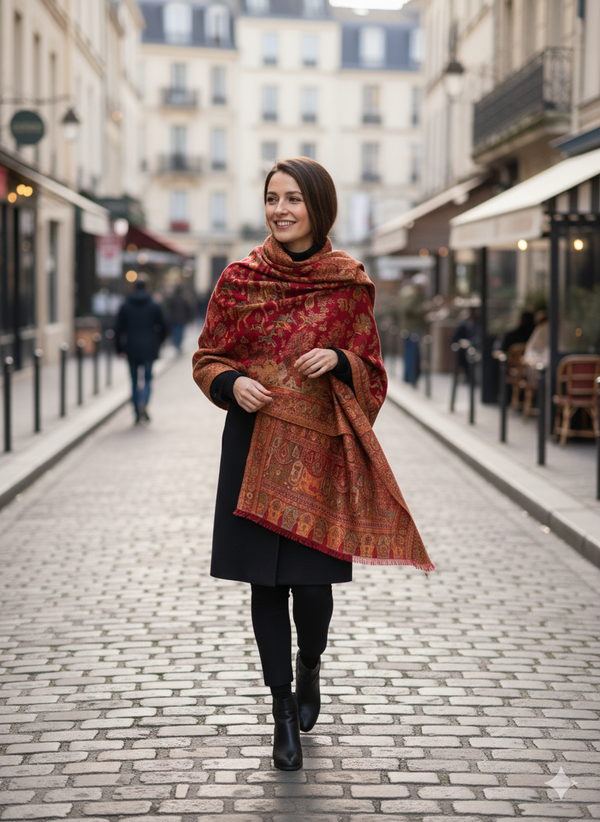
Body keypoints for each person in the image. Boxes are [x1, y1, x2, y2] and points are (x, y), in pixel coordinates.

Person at [192, 158, 433, 772]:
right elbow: (207, 356)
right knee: (264, 588)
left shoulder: (348, 283)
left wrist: (339, 358)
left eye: (292, 199)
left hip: (319, 456)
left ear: (317, 206)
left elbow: (373, 372)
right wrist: (231, 384)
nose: (279, 209)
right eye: (271, 197)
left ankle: (310, 664)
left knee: (313, 589)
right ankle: (280, 715)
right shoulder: (239, 278)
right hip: (251, 450)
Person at [115, 273, 168, 423]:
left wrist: (119, 349)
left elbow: (118, 330)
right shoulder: (154, 305)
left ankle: (137, 410)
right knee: (147, 379)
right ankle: (143, 402)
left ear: (133, 287)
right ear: (147, 287)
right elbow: (164, 327)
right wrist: (158, 343)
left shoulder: (125, 305)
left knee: (133, 381)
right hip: (149, 348)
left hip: (131, 348)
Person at [166, 285, 194, 355]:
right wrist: (189, 318)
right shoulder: (184, 299)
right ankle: (178, 345)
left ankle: (176, 344)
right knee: (180, 332)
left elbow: (169, 309)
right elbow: (188, 309)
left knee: (175, 332)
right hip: (182, 319)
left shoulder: (172, 299)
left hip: (174, 319)